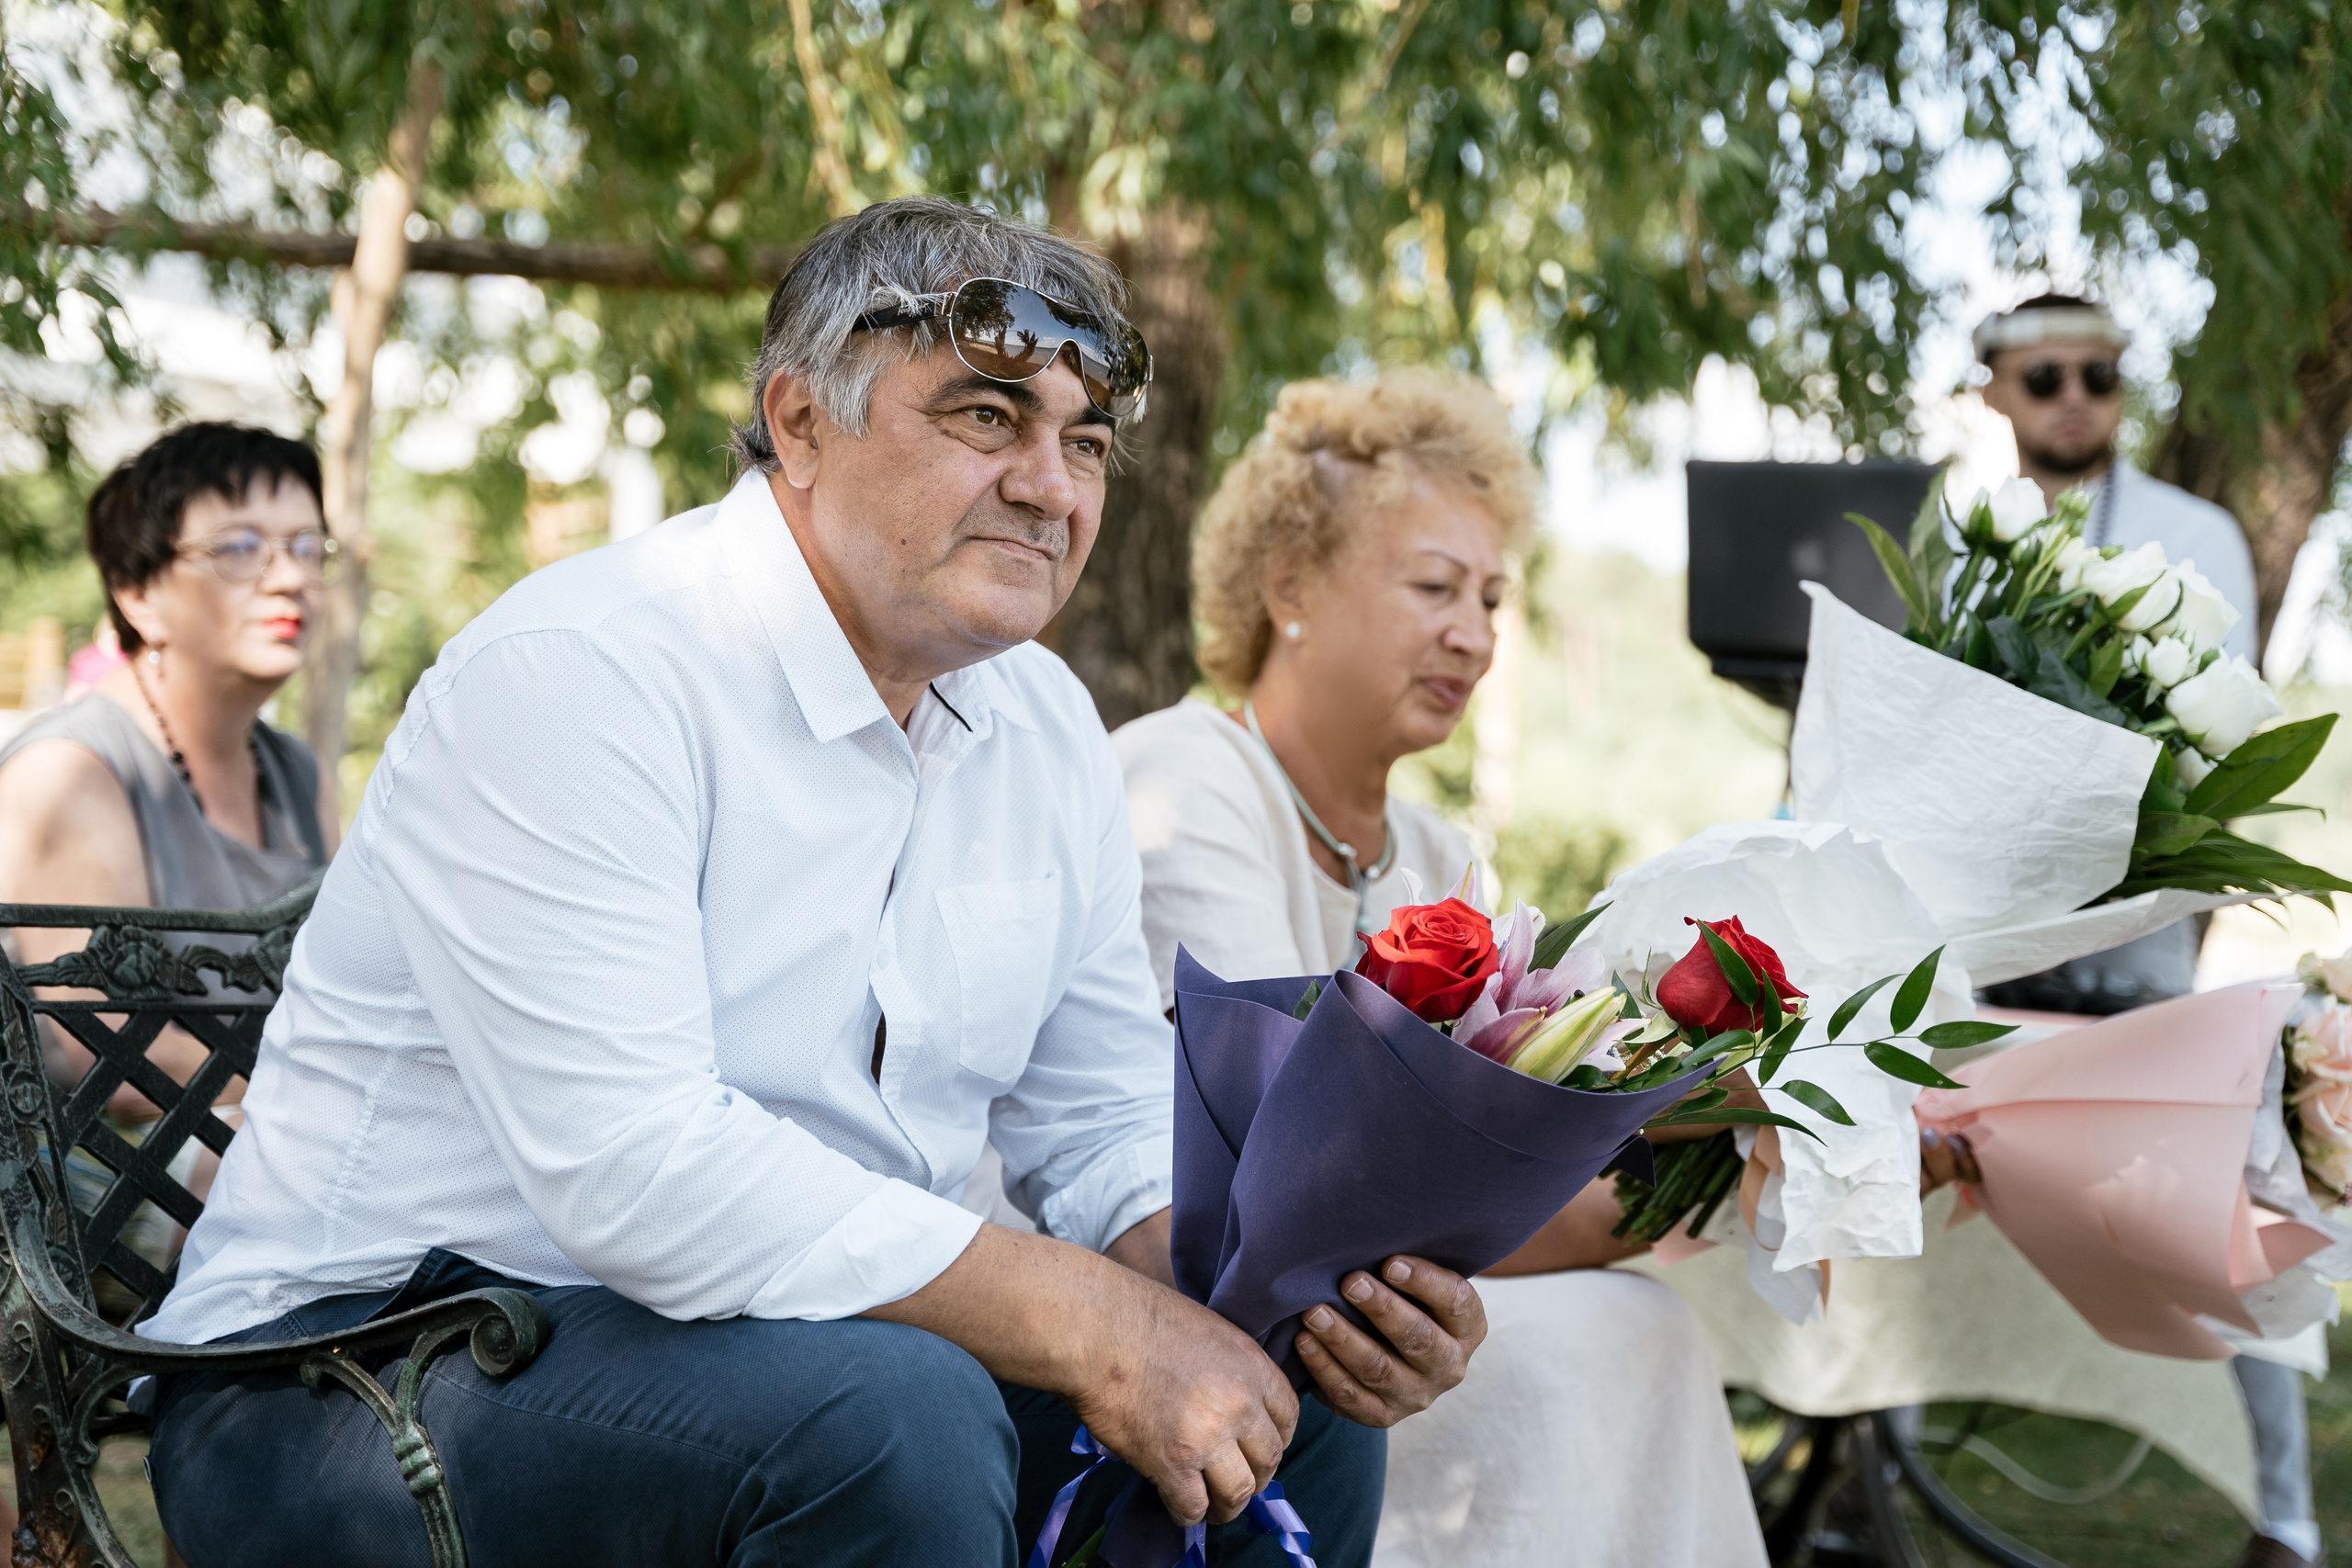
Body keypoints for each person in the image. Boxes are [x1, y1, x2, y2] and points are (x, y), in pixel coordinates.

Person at [132, 197, 1486, 1568]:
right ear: (799, 423)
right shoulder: (588, 670)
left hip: (774, 1352)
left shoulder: (1044, 725)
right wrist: (1104, 1324)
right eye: (986, 419)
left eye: (1084, 442)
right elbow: (640, 1173)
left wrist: (1283, 1293)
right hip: (345, 1377)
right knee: (894, 1418)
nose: (1053, 485)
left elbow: (1098, 1124)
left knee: (1285, 1399)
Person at [1114, 371, 1769, 1567]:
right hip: (1190, 1317)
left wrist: (1750, 1131)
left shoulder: (1437, 855)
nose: (1472, 633)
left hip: (1366, 1312)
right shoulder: (1185, 780)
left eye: (1490, 597)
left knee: (1639, 1323)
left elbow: (1474, 1177)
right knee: (1610, 1339)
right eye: (1432, 587)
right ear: (1291, 586)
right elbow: (1309, 1187)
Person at [1973, 293, 2314, 1568]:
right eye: (2048, 375)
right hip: (1991, 939)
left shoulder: (2197, 533)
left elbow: (2224, 727)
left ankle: (2282, 1518)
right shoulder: (1960, 542)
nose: (2075, 399)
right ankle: (1857, 1465)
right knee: (1884, 1175)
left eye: (2100, 377)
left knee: (2221, 1203)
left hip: (2140, 932)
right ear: (1998, 391)